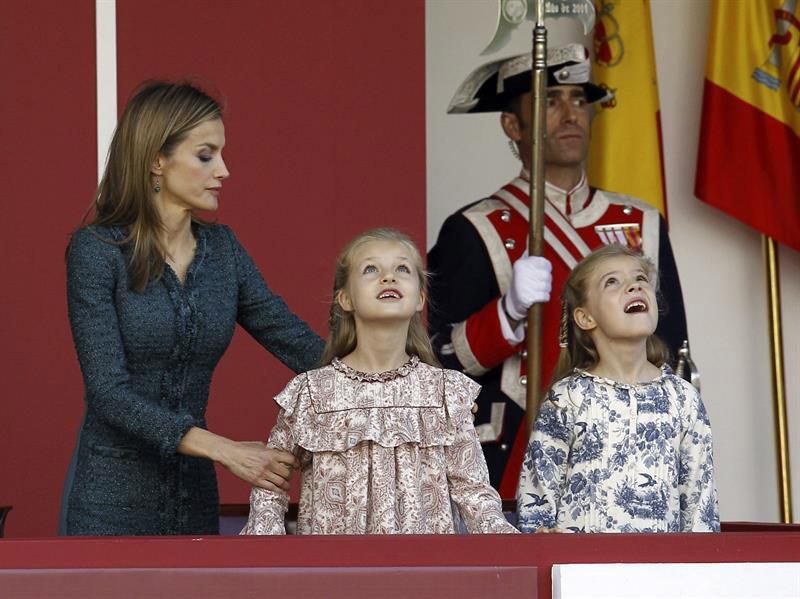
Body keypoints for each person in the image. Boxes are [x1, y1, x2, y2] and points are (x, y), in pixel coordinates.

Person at [61, 81, 325, 536]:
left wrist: (395, 383)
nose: (224, 170)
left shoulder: (222, 249)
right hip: (110, 503)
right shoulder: (98, 251)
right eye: (206, 155)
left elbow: (294, 340)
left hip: (193, 497)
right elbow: (108, 393)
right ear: (156, 161)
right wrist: (226, 450)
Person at [428, 43, 689, 498]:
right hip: (514, 450)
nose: (570, 115)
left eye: (578, 100)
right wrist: (507, 313)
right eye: (549, 101)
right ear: (512, 125)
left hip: (629, 451)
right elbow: (438, 363)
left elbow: (671, 350)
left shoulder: (641, 222)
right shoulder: (475, 228)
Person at [241, 228, 517, 535]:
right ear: (345, 299)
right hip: (333, 564)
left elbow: (474, 493)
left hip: (424, 565)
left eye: (402, 269)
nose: (389, 277)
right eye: (371, 269)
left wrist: (510, 545)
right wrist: (265, 548)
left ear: (420, 299)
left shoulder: (446, 393)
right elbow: (270, 486)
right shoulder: (310, 394)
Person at [517, 244, 719, 533]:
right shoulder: (568, 398)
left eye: (641, 278)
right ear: (586, 317)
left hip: (662, 562)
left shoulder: (683, 398)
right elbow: (536, 502)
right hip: (579, 562)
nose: (634, 286)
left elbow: (700, 506)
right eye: (612, 281)